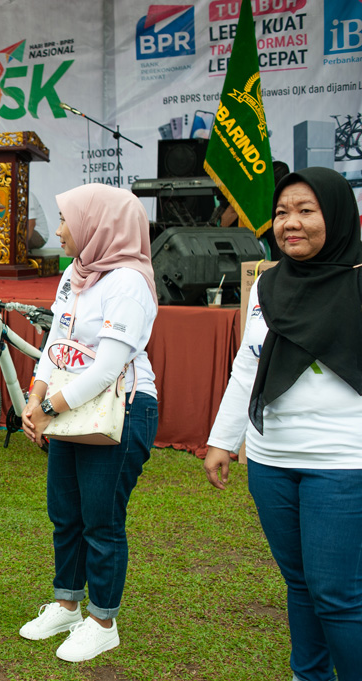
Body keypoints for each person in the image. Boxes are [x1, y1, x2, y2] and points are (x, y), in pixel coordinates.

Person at [203, 167, 362, 681]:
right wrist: (223, 439)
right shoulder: (268, 285)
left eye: (306, 211)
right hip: (271, 460)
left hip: (344, 461)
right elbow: (247, 365)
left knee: (336, 594)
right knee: (300, 584)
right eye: (281, 213)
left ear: (337, 215)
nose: (290, 223)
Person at [19, 183, 159, 663]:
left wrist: (49, 408)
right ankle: (67, 605)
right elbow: (55, 344)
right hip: (69, 404)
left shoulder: (128, 282)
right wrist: (34, 397)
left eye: (67, 219)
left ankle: (102, 622)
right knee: (66, 514)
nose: (59, 230)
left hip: (120, 410)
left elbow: (107, 368)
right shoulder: (76, 272)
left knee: (102, 521)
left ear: (98, 225)